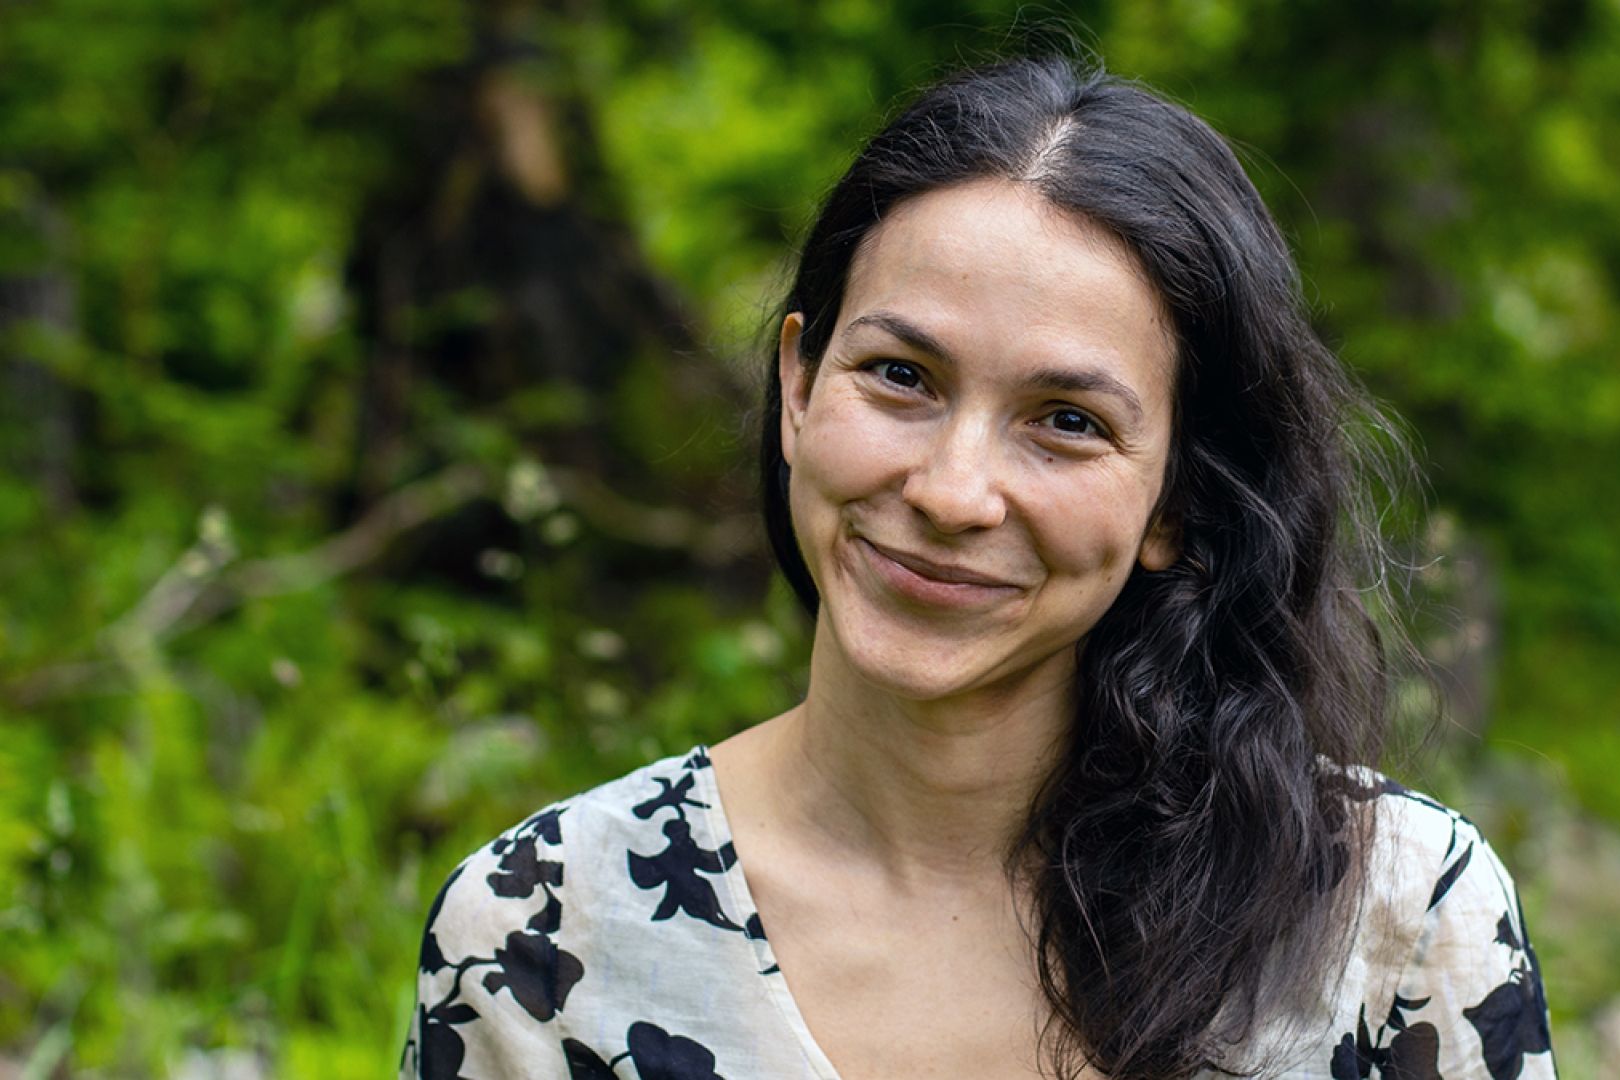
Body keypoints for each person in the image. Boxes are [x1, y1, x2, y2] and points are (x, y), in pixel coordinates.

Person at [399, 56, 1556, 1080]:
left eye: (1066, 421)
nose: (952, 494)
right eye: (902, 376)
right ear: (797, 387)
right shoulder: (544, 933)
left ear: (1178, 500)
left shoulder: (1396, 918)